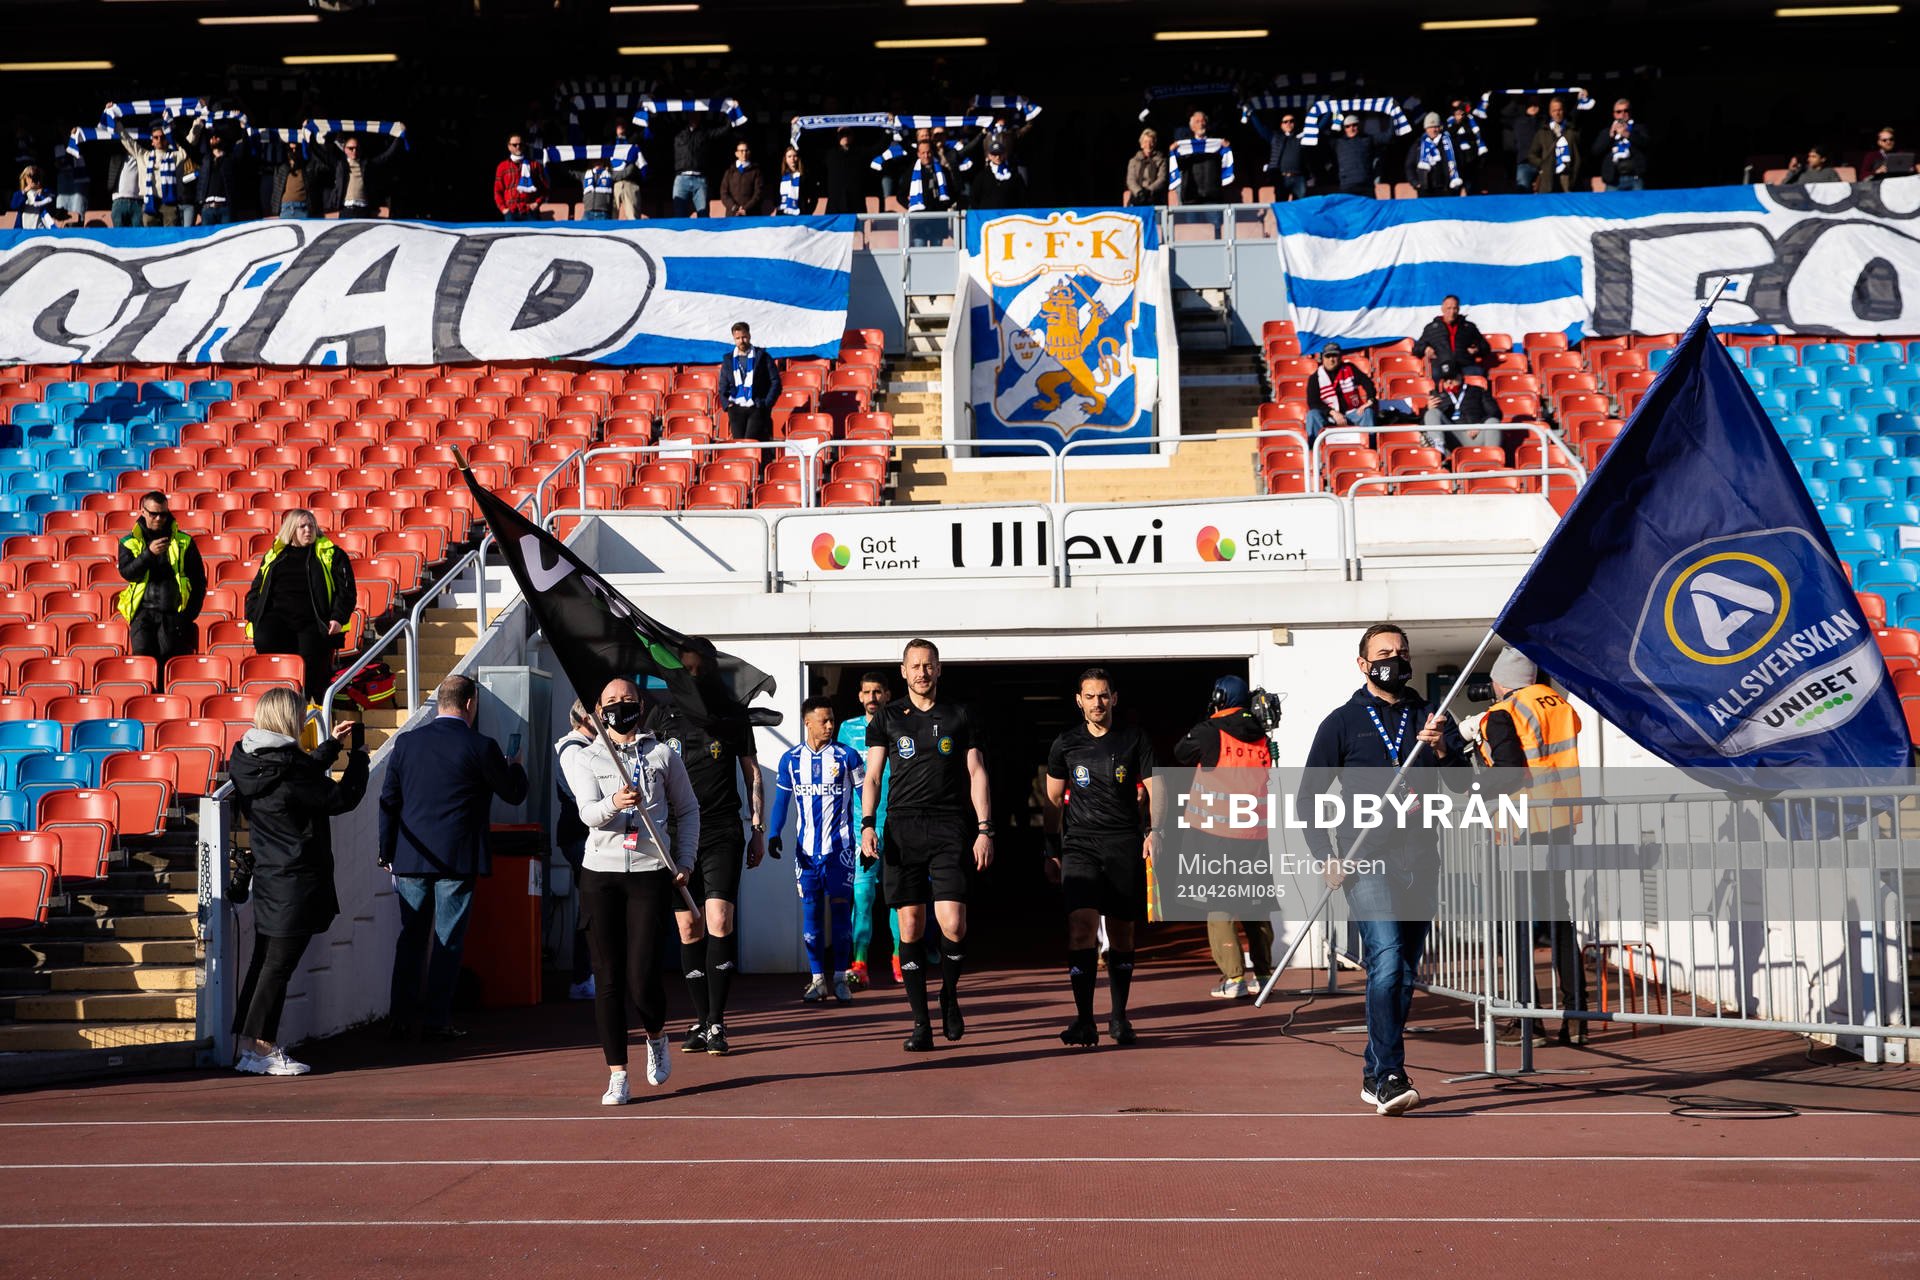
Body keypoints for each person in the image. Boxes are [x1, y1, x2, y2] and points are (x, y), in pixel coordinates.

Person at [1298, 624, 1470, 1116]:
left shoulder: (1431, 716)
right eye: (1383, 653)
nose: (1394, 660)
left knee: (1403, 971)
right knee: (1388, 960)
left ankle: (1375, 1074)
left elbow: (1462, 787)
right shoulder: (1341, 722)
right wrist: (1325, 853)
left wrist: (1441, 749)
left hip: (1421, 857)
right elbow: (1309, 797)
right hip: (1364, 857)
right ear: (1363, 664)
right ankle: (1393, 1073)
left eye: (1401, 652)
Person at [561, 677, 701, 1104]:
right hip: (600, 872)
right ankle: (617, 1073)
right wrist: (614, 804)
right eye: (611, 702)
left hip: (648, 870)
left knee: (641, 976)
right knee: (607, 978)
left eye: (628, 700)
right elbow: (587, 813)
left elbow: (688, 809)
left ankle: (656, 1036)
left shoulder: (661, 754)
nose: (620, 707)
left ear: (640, 706)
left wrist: (685, 859)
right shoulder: (587, 757)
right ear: (598, 711)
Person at [379, 675, 531, 1040]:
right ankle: (437, 1019)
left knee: (411, 938)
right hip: (457, 860)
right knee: (448, 940)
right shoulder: (481, 746)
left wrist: (387, 852)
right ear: (469, 704)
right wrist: (515, 766)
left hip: (412, 857)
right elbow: (513, 794)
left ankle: (400, 1017)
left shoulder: (406, 743)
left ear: (438, 702)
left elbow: (388, 800)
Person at [227, 688, 369, 1076]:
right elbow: (342, 797)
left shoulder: (248, 760)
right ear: (289, 719)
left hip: (271, 877)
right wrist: (358, 754)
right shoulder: (288, 771)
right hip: (296, 882)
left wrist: (329, 748)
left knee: (264, 964)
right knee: (276, 969)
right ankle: (263, 1049)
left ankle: (247, 1048)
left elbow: (294, 771)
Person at [861, 638, 992, 1052]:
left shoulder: (959, 714)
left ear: (939, 670)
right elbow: (873, 776)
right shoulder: (887, 717)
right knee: (911, 927)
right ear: (904, 671)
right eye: (914, 665)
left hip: (949, 826)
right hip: (902, 828)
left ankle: (949, 996)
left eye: (928, 665)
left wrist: (985, 829)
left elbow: (976, 772)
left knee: (954, 923)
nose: (922, 672)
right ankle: (921, 1023)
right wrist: (868, 824)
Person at [644, 640, 765, 1056]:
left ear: (711, 670)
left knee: (718, 918)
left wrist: (758, 827)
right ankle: (699, 1020)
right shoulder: (661, 715)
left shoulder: (731, 713)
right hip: (675, 835)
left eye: (700, 670)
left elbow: (752, 774)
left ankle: (717, 1022)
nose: (693, 677)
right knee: (688, 928)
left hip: (720, 831)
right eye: (687, 670)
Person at [1476, 649, 1587, 1048]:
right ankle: (1576, 1017)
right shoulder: (1558, 705)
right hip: (1560, 820)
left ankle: (1528, 1020)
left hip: (1524, 825)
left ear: (1502, 681)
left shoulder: (1504, 712)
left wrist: (1474, 785)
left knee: (1518, 925)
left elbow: (1508, 772)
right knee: (1559, 919)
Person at [1044, 668, 1155, 1046]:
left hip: (1123, 844)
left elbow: (1160, 791)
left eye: (1103, 696)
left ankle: (1119, 1018)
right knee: (1081, 928)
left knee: (1122, 932)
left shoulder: (1134, 739)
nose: (1097, 703)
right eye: (1090, 696)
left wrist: (1155, 832)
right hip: (1080, 846)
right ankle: (1084, 1020)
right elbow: (1053, 801)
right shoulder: (1065, 743)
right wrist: (1051, 851)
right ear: (1079, 700)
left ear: (1114, 698)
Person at [1173, 675, 1275, 1000]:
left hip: (1217, 836)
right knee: (1256, 904)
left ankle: (1233, 978)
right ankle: (1263, 974)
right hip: (1255, 834)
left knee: (1219, 907)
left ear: (1219, 696)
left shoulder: (1209, 731)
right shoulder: (1262, 734)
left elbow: (1181, 752)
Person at [768, 696, 863, 1004]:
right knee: (810, 913)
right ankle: (817, 979)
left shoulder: (848, 756)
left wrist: (870, 829)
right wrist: (773, 833)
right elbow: (782, 801)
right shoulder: (791, 759)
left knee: (839, 914)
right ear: (807, 722)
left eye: (832, 719)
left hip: (841, 850)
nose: (830, 725)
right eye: (824, 720)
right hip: (806, 851)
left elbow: (866, 795)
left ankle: (840, 979)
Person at [244, 509, 355, 705]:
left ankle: (313, 717)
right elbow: (257, 588)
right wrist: (253, 614)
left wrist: (338, 617)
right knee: (268, 647)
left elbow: (346, 591)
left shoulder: (331, 553)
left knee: (311, 673)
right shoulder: (275, 555)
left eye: (311, 526)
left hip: (313, 622)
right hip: (278, 620)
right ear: (291, 530)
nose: (308, 530)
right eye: (302, 526)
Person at [837, 671, 898, 988]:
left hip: (899, 822)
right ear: (860, 696)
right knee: (862, 895)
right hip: (863, 827)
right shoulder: (847, 729)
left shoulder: (902, 721)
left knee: (899, 896)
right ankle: (859, 962)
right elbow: (840, 778)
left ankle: (901, 957)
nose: (872, 697)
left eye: (878, 691)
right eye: (867, 692)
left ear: (887, 694)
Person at [115, 490, 206, 665]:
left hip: (173, 615)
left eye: (163, 514)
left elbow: (199, 581)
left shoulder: (184, 541)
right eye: (153, 514)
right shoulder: (129, 541)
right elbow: (128, 573)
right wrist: (149, 554)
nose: (158, 519)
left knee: (169, 664)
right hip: (142, 615)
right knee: (143, 664)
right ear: (143, 512)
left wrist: (188, 615)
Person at [553, 699, 599, 1001]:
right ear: (585, 718)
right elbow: (584, 796)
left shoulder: (583, 748)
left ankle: (587, 974)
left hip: (581, 836)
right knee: (591, 905)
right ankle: (583, 976)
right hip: (580, 836)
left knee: (592, 905)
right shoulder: (574, 750)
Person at [718, 320, 782, 445]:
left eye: (744, 337)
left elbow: (775, 382)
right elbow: (723, 385)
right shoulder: (728, 359)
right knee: (739, 445)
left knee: (750, 442)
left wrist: (766, 403)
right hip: (736, 408)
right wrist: (727, 404)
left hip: (756, 406)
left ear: (749, 336)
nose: (741, 341)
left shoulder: (762, 356)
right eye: (737, 338)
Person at [1423, 362, 1505, 454]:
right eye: (1446, 379)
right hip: (1452, 437)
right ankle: (1438, 451)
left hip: (1475, 435)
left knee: (1493, 422)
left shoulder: (1477, 391)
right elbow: (1425, 424)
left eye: (1453, 378)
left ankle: (1492, 459)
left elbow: (1495, 412)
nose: (1449, 382)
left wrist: (1480, 425)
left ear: (1461, 376)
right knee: (1432, 413)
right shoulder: (1437, 396)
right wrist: (1428, 409)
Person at [119, 121, 188, 227]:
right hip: (150, 203)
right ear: (152, 141)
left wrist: (198, 123)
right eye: (156, 137)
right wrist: (117, 123)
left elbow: (190, 142)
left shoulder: (176, 156)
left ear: (167, 140)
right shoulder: (144, 156)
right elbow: (128, 141)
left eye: (162, 137)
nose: (159, 140)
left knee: (170, 238)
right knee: (150, 238)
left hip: (169, 204)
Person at [320, 131, 403, 219]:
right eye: (351, 148)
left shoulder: (368, 165)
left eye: (357, 148)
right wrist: (308, 135)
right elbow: (321, 155)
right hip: (345, 209)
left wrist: (399, 135)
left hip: (363, 209)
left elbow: (386, 156)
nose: (354, 151)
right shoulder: (340, 165)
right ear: (345, 149)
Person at [671, 108, 737, 217]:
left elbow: (725, 130)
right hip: (681, 179)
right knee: (679, 215)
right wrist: (650, 109)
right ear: (687, 115)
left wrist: (732, 111)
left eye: (696, 113)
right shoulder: (678, 132)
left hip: (700, 179)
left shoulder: (705, 133)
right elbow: (659, 126)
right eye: (691, 113)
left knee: (703, 215)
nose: (694, 116)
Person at [1304, 343, 1377, 439]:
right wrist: (1333, 413)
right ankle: (1313, 450)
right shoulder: (1315, 377)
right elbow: (1313, 403)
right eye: (1328, 356)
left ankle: (1370, 449)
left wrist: (1369, 401)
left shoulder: (1350, 368)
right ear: (1322, 358)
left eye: (1334, 355)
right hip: (1328, 416)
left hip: (1352, 413)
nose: (1331, 359)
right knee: (1312, 414)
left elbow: (1367, 383)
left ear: (1340, 357)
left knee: (1367, 412)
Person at [1411, 296, 1491, 378]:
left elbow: (1486, 347)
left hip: (1465, 364)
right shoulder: (1431, 328)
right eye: (1448, 308)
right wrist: (1425, 349)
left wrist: (1476, 349)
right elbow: (1416, 349)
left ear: (1458, 309)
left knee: (1479, 375)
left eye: (1455, 308)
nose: (1452, 312)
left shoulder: (1469, 327)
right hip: (1441, 365)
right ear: (1442, 309)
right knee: (1435, 377)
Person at [1592, 99, 1650, 191]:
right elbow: (1596, 151)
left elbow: (1646, 144)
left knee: (1638, 205)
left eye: (1626, 111)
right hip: (1614, 179)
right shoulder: (1607, 132)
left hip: (1635, 178)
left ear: (1630, 112)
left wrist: (1628, 134)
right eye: (1619, 111)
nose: (1622, 114)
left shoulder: (1638, 128)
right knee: (1611, 205)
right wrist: (1610, 135)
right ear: (1614, 114)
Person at [1525, 97, 1580, 194]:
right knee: (1548, 207)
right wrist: (1543, 164)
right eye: (1554, 110)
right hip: (1548, 179)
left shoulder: (1571, 131)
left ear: (1563, 111)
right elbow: (1531, 155)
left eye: (1559, 110)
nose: (1557, 113)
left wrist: (1573, 178)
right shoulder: (1542, 132)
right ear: (1550, 112)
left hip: (1566, 177)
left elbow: (1577, 158)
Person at [1251, 110, 1307, 201]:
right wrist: (1251, 112)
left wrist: (1329, 110)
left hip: (1298, 178)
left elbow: (1318, 128)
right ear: (1281, 125)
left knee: (1300, 208)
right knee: (1281, 207)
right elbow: (1260, 128)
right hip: (1281, 178)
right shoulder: (1275, 137)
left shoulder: (1301, 137)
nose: (1288, 123)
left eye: (1291, 121)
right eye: (1285, 122)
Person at [1406, 112, 1465, 198]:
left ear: (1440, 127)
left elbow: (1460, 161)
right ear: (1425, 128)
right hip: (1426, 190)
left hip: (1447, 190)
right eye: (1430, 127)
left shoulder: (1449, 143)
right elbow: (1409, 165)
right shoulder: (1419, 145)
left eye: (1435, 127)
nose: (1433, 130)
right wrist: (1416, 183)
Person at [192, 123, 239, 225]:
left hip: (225, 207)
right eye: (211, 137)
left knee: (227, 239)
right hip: (207, 208)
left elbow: (244, 150)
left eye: (216, 137)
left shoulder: (229, 159)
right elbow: (188, 148)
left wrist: (244, 129)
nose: (213, 139)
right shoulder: (205, 159)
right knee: (208, 239)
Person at [1328, 114, 1381, 198]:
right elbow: (1322, 136)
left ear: (1359, 125)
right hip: (1347, 185)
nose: (1351, 129)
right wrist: (1336, 117)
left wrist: (1394, 112)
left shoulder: (1368, 139)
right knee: (1348, 210)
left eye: (1354, 125)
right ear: (1344, 128)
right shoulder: (1338, 142)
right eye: (1347, 126)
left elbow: (1389, 136)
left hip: (1365, 185)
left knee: (1370, 210)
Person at [495, 134, 547, 220]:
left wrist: (537, 203)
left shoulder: (534, 165)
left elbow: (544, 188)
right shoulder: (502, 166)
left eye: (520, 144)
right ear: (509, 147)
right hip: (511, 211)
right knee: (511, 234)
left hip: (530, 210)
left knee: (534, 233)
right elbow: (497, 191)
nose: (518, 147)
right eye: (515, 145)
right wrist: (503, 209)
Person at [268, 140, 319, 220]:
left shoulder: (307, 169)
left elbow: (318, 162)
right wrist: (274, 211)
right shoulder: (282, 169)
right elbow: (277, 191)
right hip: (286, 209)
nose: (293, 152)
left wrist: (312, 143)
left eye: (296, 149)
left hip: (303, 208)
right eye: (290, 149)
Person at [823, 129, 865, 214]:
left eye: (848, 133)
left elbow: (878, 148)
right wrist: (796, 128)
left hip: (855, 203)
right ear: (837, 136)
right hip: (835, 204)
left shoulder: (859, 152)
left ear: (852, 136)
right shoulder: (829, 154)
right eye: (842, 134)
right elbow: (809, 149)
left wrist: (887, 130)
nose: (845, 136)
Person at [1508, 99, 1544, 193]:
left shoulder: (1543, 121)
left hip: (1542, 163)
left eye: (1535, 105)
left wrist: (1535, 116)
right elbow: (1503, 115)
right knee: (1522, 191)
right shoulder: (1518, 121)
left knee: (1544, 193)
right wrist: (1514, 101)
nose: (1533, 107)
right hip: (1524, 162)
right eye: (1530, 105)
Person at [1125, 128, 1168, 206]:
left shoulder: (1161, 160)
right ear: (1141, 144)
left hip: (1154, 196)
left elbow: (1162, 179)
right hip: (1137, 196)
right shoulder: (1133, 161)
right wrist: (1139, 192)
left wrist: (1149, 191)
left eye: (1151, 142)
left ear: (1154, 144)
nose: (1148, 145)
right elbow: (1130, 180)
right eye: (1145, 142)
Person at [720, 139, 763, 216]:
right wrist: (734, 207)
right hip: (732, 214)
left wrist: (745, 208)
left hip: (751, 214)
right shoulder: (729, 172)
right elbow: (724, 193)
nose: (744, 153)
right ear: (736, 153)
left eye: (746, 151)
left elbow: (758, 193)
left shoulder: (756, 171)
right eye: (741, 151)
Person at [775, 145, 807, 215]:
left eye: (795, 156)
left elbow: (811, 196)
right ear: (785, 159)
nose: (792, 159)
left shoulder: (804, 177)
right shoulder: (780, 177)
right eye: (789, 156)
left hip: (800, 214)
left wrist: (807, 211)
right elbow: (775, 195)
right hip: (782, 213)